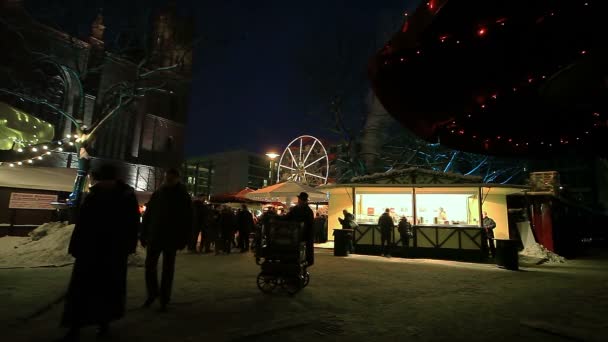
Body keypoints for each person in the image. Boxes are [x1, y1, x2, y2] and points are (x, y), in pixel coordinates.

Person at [58, 163, 140, 341]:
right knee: (108, 288)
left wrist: (77, 246)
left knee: (82, 289)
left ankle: (76, 326)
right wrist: (128, 246)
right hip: (113, 251)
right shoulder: (125, 195)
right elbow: (132, 224)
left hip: (92, 249)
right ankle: (102, 325)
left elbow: (83, 224)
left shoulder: (95, 195)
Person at [140, 168, 192, 312]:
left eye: (170, 178)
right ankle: (152, 293)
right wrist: (144, 234)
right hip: (155, 236)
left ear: (177, 179)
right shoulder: (158, 193)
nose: (167, 180)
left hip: (171, 237)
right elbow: (148, 215)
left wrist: (184, 238)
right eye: (166, 178)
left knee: (167, 269)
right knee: (150, 266)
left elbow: (188, 220)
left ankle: (164, 297)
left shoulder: (183, 196)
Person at [284, 192, 315, 266]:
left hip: (303, 234)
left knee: (302, 249)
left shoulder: (307, 211)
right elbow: (287, 217)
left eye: (299, 199)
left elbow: (309, 225)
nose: (298, 201)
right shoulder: (297, 209)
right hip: (295, 233)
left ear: (302, 201)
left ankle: (304, 261)